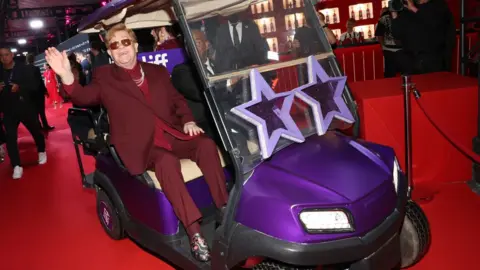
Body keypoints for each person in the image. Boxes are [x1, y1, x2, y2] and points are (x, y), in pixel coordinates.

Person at [45, 23, 228, 262]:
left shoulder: (157, 71)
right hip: (141, 144)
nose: (121, 48)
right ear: (109, 53)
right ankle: (194, 231)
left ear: (135, 45)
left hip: (172, 134)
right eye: (114, 45)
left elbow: (178, 101)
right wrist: (66, 74)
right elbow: (82, 96)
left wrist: (187, 121)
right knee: (166, 161)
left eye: (125, 42)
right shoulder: (105, 77)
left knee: (204, 143)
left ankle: (224, 209)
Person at [0, 47, 47, 179]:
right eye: (1, 55)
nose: (4, 58)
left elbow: (34, 86)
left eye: (6, 54)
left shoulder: (24, 68)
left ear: (12, 55)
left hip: (25, 107)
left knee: (36, 131)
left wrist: (20, 87)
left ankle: (42, 150)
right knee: (10, 138)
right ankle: (16, 165)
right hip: (8, 110)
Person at [391, 0, 453, 74]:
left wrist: (414, 9)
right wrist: (394, 13)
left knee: (434, 84)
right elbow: (396, 34)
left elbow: (434, 24)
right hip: (410, 60)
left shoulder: (438, 5)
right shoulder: (406, 10)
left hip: (433, 59)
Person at [26, 54, 54, 130]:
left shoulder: (24, 69)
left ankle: (38, 126)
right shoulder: (36, 68)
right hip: (38, 93)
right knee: (41, 111)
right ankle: (45, 126)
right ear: (33, 59)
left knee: (34, 111)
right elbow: (40, 81)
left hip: (30, 94)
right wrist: (45, 91)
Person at [375, 8, 403, 78]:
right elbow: (379, 34)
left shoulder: (403, 15)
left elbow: (379, 34)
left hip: (400, 49)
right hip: (390, 49)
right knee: (391, 73)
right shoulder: (384, 18)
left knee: (402, 72)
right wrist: (383, 47)